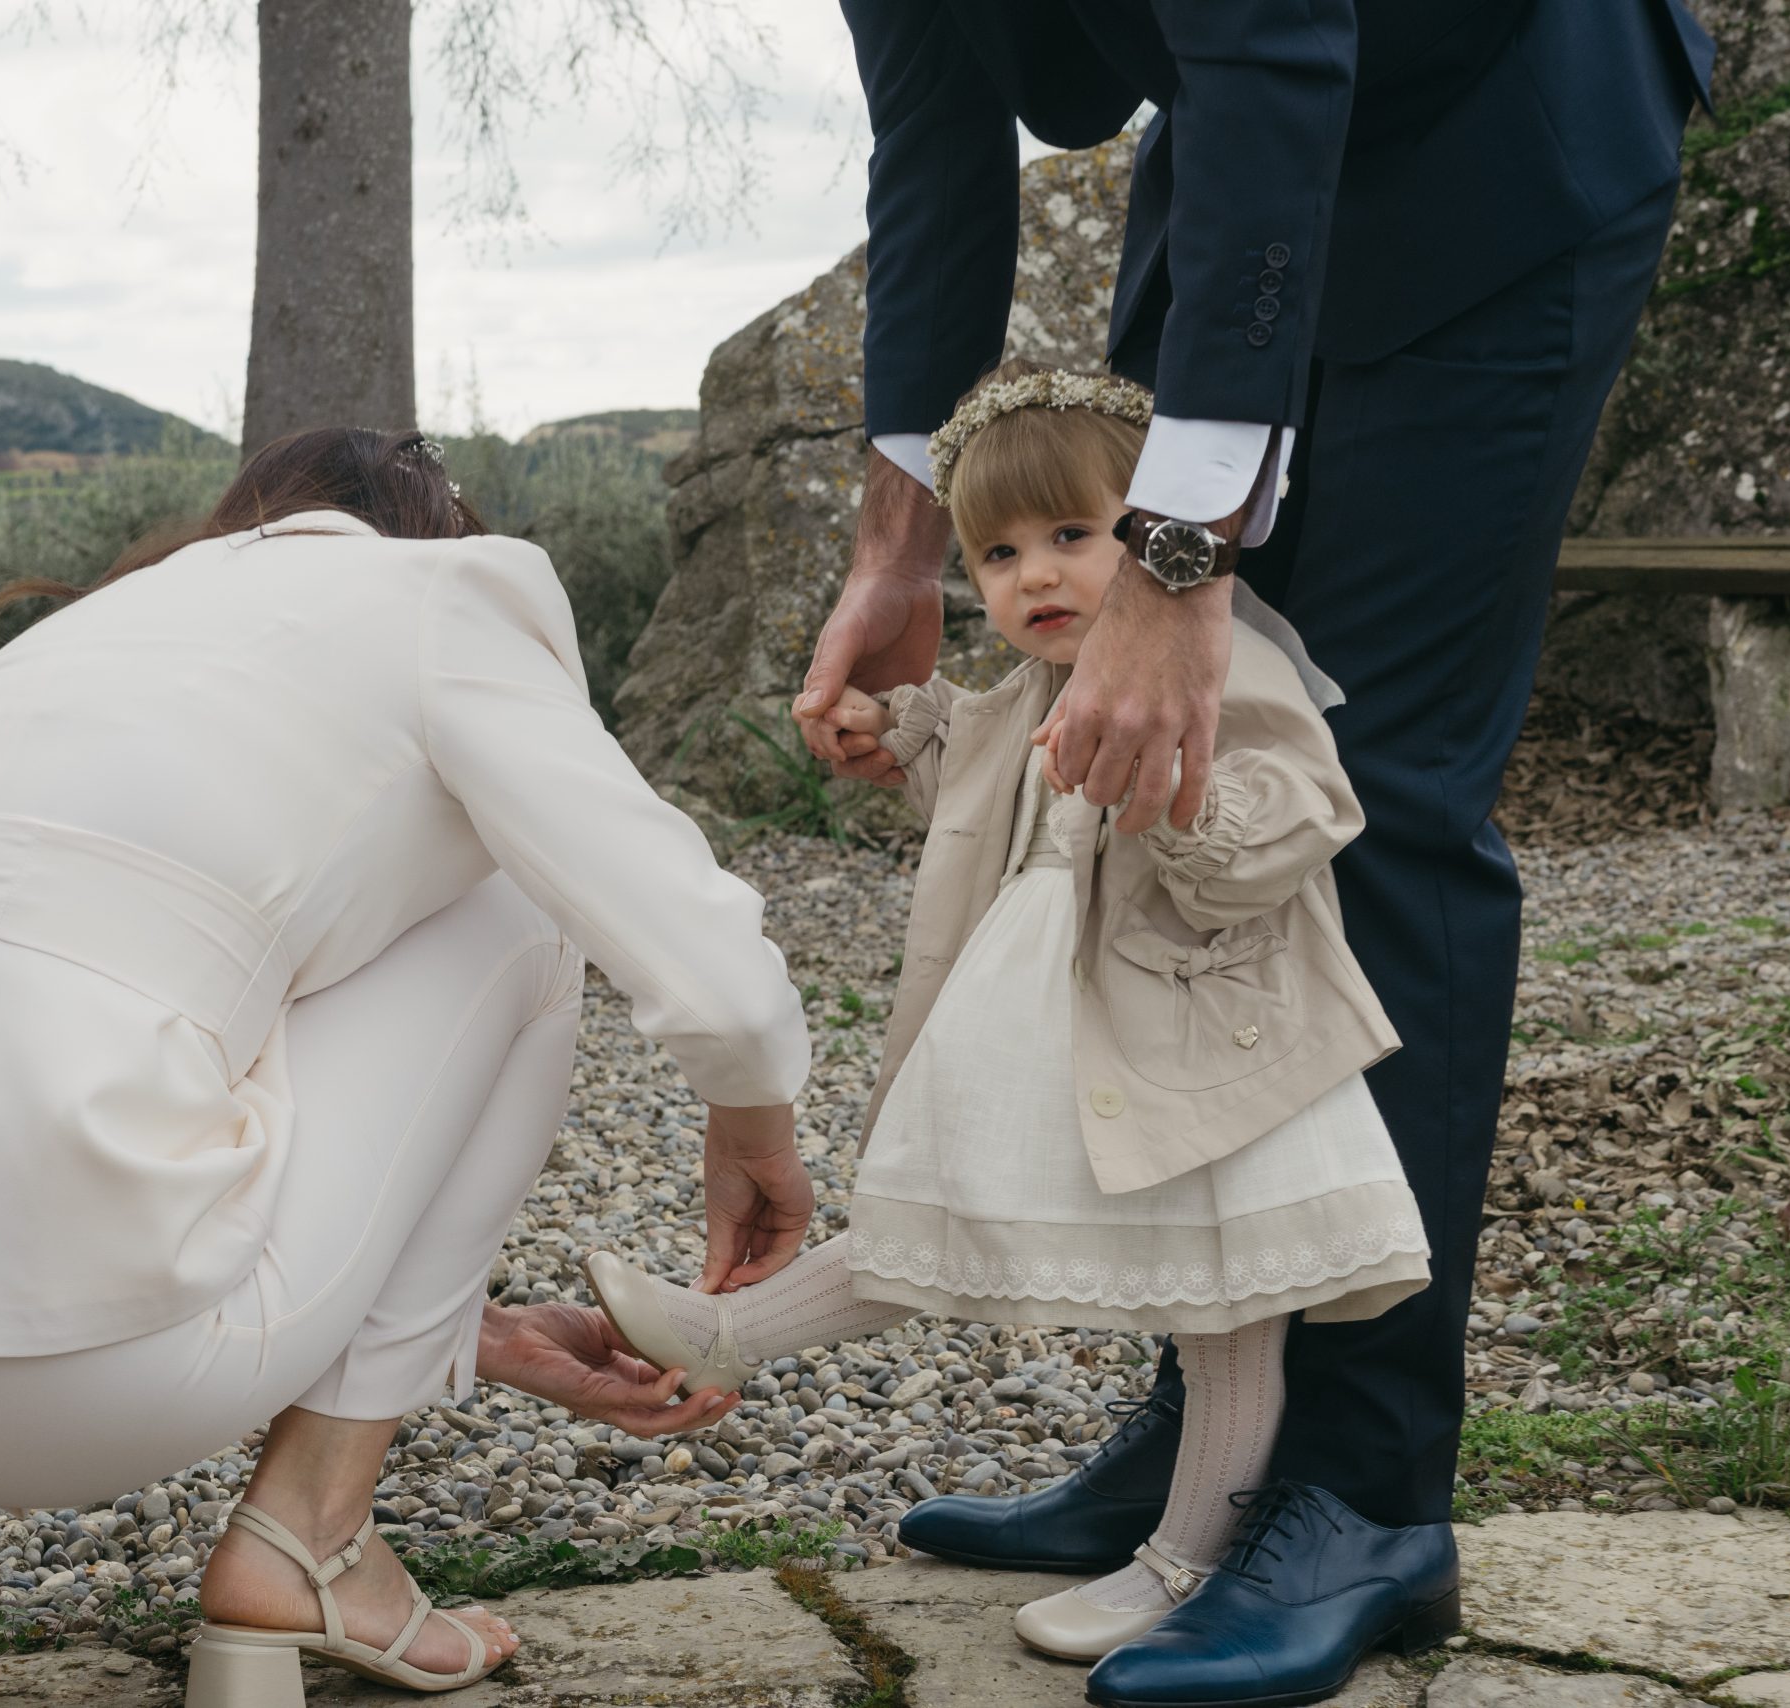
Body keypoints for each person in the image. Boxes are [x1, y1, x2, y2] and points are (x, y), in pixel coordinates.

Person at [798, 5, 1714, 1705]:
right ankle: (1219, 1441)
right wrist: (897, 549)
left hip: (1497, 132)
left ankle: (1363, 1494)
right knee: (1165, 806)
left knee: (1370, 799)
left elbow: (1279, 41)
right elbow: (935, 136)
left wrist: (1174, 560)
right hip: (1236, 184)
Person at [0, 428, 822, 1708]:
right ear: (427, 533)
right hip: (72, 1374)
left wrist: (481, 1333)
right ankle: (311, 1538)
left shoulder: (76, 638)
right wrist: (755, 1127)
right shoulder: (443, 594)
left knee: (92, 982)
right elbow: (710, 971)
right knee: (523, 917)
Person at [589, 366, 1434, 1682]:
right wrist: (892, 732)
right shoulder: (1028, 689)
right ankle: (726, 1336)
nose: (1034, 574)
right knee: (943, 1198)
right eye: (996, 553)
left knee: (1230, 1309)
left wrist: (1183, 798)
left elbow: (1305, 810)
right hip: (1059, 1023)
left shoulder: (1227, 662)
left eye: (1071, 535)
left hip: (1208, 1041)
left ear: (1152, 535)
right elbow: (977, 777)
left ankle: (1183, 1565)